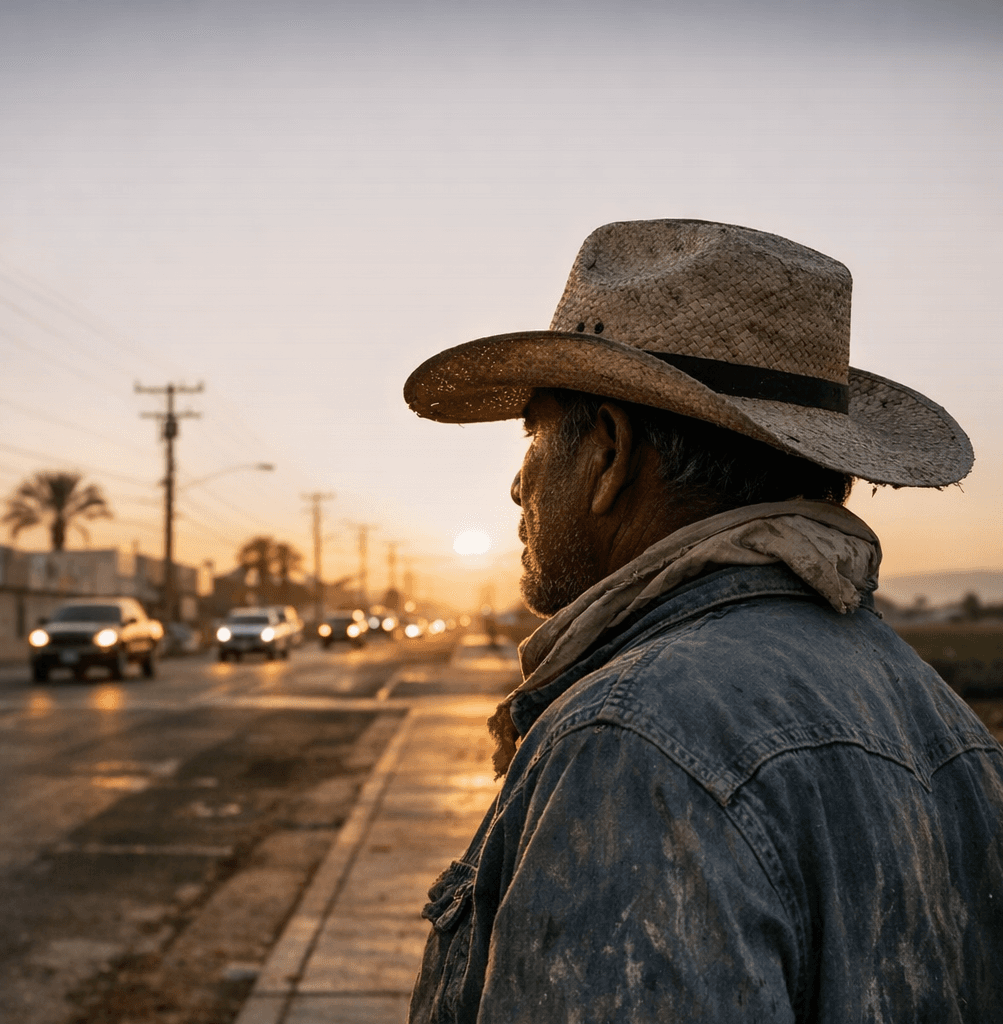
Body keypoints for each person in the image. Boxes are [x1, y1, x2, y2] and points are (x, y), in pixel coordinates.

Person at [402, 219, 1003, 1022]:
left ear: (609, 454)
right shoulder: (943, 720)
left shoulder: (629, 744)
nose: (518, 488)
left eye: (534, 435)